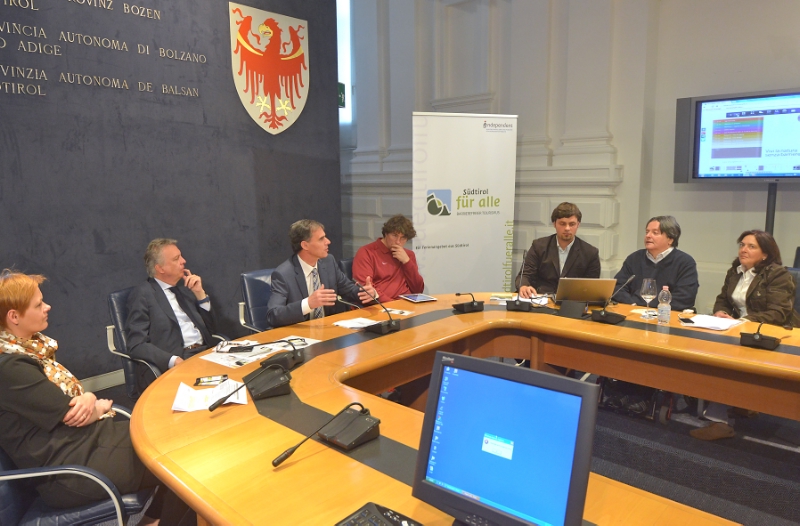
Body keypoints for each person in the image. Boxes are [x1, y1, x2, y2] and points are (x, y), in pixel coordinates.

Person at [0, 270, 190, 523]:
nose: (48, 307)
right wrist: (92, 401)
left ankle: (154, 521)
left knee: (178, 435)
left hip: (85, 444)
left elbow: (72, 411)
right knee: (185, 458)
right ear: (14, 317)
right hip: (69, 470)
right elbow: (74, 415)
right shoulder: (10, 367)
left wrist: (89, 403)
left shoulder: (28, 351)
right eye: (38, 304)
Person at [692, 231, 800, 441]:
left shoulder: (778, 275)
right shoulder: (735, 271)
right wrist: (720, 313)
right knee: (707, 352)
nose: (743, 249)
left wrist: (742, 321)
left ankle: (719, 421)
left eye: (751, 246)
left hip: (774, 335)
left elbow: (778, 313)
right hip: (740, 330)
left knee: (724, 364)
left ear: (765, 254)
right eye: (742, 244)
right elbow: (723, 299)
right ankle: (740, 403)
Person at [126, 238, 217, 393]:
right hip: (179, 361)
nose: (183, 261)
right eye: (176, 259)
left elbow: (212, 330)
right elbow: (136, 345)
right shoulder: (143, 294)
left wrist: (200, 294)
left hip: (205, 355)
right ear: (160, 268)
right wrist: (172, 360)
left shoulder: (184, 290)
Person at [267, 220, 378, 328]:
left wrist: (368, 292)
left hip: (329, 329)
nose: (328, 241)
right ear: (305, 245)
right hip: (302, 333)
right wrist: (308, 304)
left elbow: (348, 290)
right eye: (321, 239)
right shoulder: (283, 274)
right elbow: (273, 315)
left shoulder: (328, 262)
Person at [612, 215, 699, 311]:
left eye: (655, 233)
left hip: (666, 315)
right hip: (633, 311)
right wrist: (632, 305)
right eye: (647, 232)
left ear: (670, 239)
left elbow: (686, 297)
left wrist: (649, 307)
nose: (648, 236)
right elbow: (618, 287)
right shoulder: (634, 258)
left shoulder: (685, 262)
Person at [518, 202, 601, 297]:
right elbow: (524, 275)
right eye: (562, 224)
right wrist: (523, 286)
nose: (567, 228)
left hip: (573, 301)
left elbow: (591, 286)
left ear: (578, 225)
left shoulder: (590, 253)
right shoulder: (539, 246)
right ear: (554, 224)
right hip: (541, 299)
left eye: (572, 224)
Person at [352, 214, 424, 301]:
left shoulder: (408, 255)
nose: (398, 242)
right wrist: (394, 304)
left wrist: (407, 262)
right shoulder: (366, 252)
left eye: (403, 238)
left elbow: (418, 290)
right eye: (394, 235)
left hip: (405, 303)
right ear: (386, 234)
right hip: (380, 305)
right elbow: (367, 291)